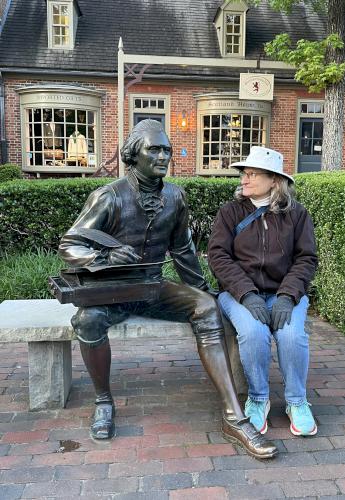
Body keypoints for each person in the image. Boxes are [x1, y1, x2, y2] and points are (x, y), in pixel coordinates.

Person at [58, 120, 277, 459]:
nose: (163, 157)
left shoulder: (175, 196)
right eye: (154, 150)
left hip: (153, 288)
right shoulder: (108, 196)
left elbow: (183, 250)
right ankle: (103, 401)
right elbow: (70, 245)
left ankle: (234, 417)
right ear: (133, 155)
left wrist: (205, 291)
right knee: (87, 321)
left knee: (206, 307)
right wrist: (103, 256)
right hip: (112, 291)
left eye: (167, 151)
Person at [208, 146, 318, 437]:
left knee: (292, 334)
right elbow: (218, 256)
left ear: (274, 180)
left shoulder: (296, 214)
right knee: (254, 333)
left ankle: (297, 401)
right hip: (239, 294)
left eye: (252, 174)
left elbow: (306, 258)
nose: (244, 179)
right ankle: (258, 399)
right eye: (244, 174)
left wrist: (287, 295)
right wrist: (246, 293)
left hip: (284, 293)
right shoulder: (230, 212)